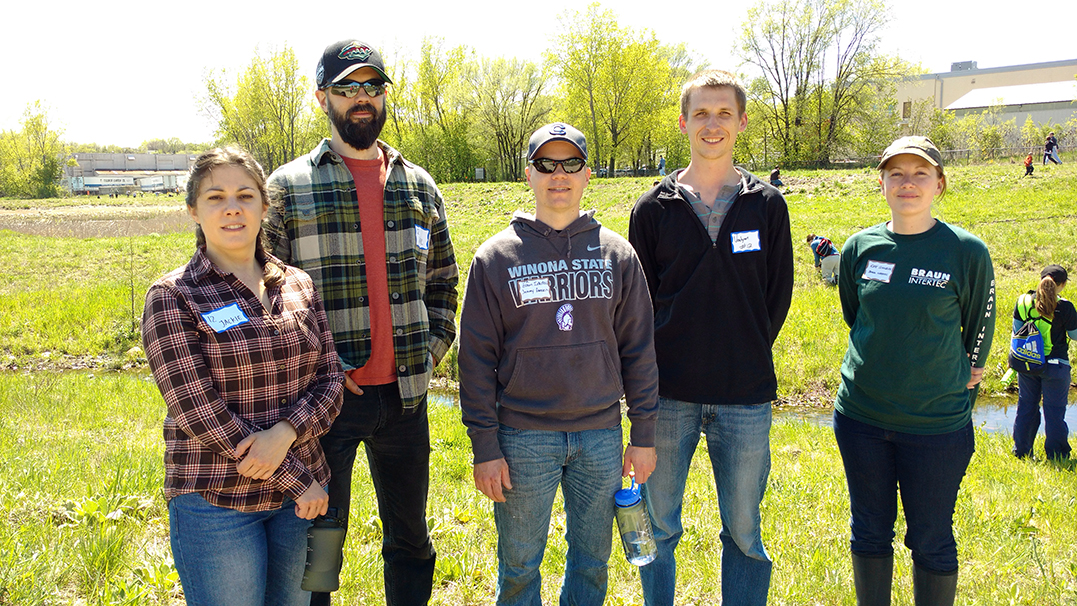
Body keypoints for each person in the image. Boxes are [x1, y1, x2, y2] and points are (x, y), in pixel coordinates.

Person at [264, 39, 459, 606]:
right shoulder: (287, 188)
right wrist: (316, 370)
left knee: (411, 540)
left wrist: (426, 358)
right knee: (322, 538)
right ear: (322, 97)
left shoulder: (419, 185)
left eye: (373, 87)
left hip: (406, 400)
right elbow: (261, 300)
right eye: (347, 88)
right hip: (327, 405)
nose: (362, 100)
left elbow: (444, 285)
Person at [459, 122, 659, 606]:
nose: (559, 175)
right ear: (529, 175)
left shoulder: (617, 254)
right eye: (546, 164)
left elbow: (639, 349)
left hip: (600, 437)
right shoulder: (495, 258)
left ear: (588, 174)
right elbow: (475, 360)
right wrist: (485, 445)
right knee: (521, 566)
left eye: (570, 164)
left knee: (592, 564)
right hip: (523, 437)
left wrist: (644, 435)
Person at [142, 147, 345, 605]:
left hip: (299, 506)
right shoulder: (173, 296)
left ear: (264, 206)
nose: (232, 207)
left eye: (245, 195)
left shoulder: (299, 284)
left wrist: (287, 431)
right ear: (193, 209)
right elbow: (199, 412)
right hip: (218, 500)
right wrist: (296, 477)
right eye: (215, 197)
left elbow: (331, 380)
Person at [629, 70, 794, 606]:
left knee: (744, 533)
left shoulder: (766, 204)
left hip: (744, 397)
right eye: (701, 113)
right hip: (668, 397)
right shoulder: (652, 209)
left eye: (724, 113)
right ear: (683, 123)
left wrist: (741, 346)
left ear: (742, 122)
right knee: (659, 528)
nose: (712, 123)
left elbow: (777, 296)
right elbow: (639, 303)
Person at [834, 136, 995, 606]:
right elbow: (856, 314)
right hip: (861, 419)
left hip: (936, 426)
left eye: (920, 174)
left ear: (939, 184)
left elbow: (981, 323)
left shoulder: (966, 251)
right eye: (897, 174)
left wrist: (972, 368)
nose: (908, 183)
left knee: (932, 538)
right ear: (881, 182)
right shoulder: (859, 247)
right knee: (868, 531)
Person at [1012, 264, 1077, 460]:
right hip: (1056, 366)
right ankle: (1057, 454)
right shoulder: (1065, 307)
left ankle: (1022, 452)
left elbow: (1016, 332)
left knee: (1026, 406)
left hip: (1028, 363)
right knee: (1055, 412)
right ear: (1062, 284)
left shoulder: (1023, 301)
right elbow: (1074, 336)